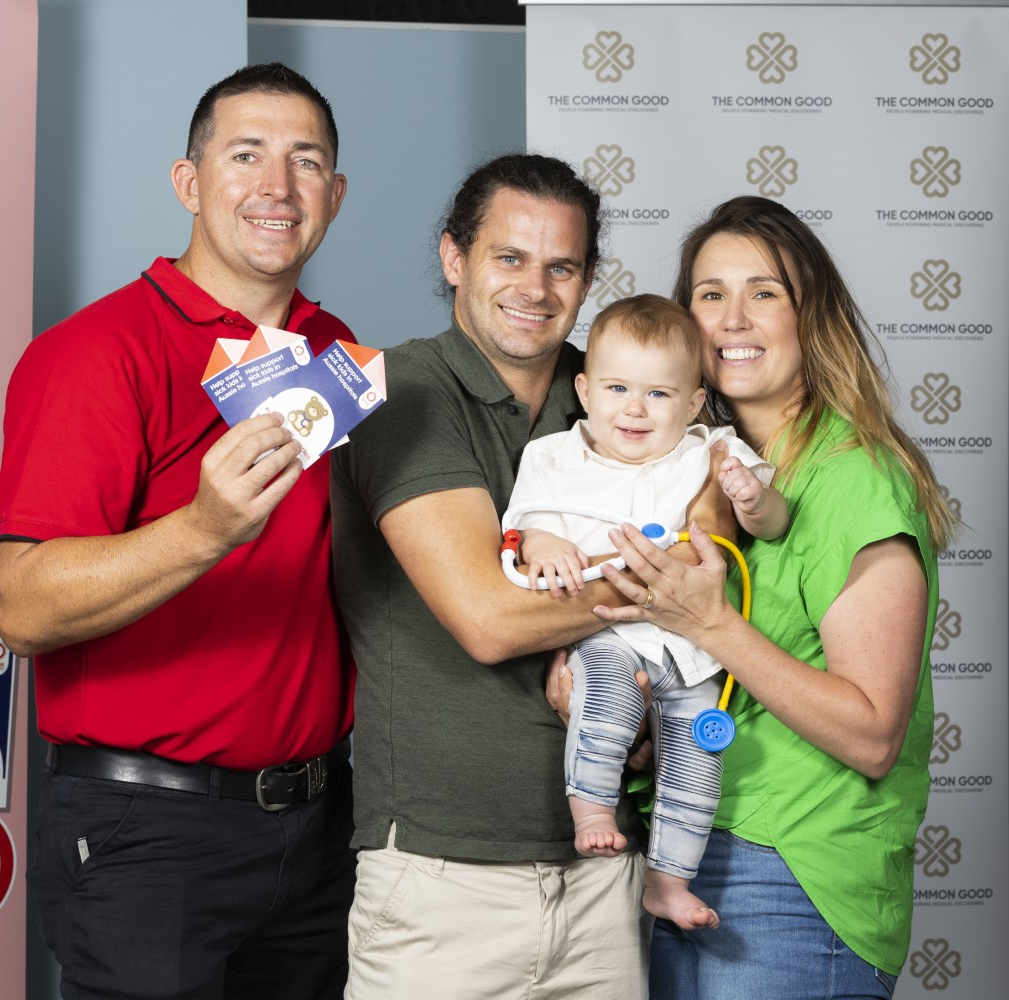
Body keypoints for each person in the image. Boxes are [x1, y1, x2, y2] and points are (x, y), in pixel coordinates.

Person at [0, 63, 354, 1000]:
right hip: (146, 832)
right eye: (246, 157)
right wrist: (201, 529)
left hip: (318, 825)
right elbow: (23, 609)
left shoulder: (336, 352)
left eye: (304, 162)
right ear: (189, 184)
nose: (277, 188)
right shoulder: (95, 353)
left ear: (335, 196)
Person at [330, 153, 729, 999]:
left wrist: (644, 645)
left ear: (587, 280)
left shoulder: (618, 391)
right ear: (454, 260)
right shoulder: (402, 389)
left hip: (604, 874)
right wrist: (654, 596)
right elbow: (490, 620)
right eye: (509, 258)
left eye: (563, 266)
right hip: (443, 879)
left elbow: (715, 532)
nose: (535, 288)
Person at [591, 196, 956, 999]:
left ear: (810, 316)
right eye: (710, 294)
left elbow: (870, 735)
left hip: (791, 878)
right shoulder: (712, 478)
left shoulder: (853, 476)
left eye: (765, 293)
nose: (732, 318)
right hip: (688, 855)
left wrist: (712, 625)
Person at [504, 293, 787, 932]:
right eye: (617, 388)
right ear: (583, 389)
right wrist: (545, 541)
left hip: (687, 649)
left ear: (692, 403)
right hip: (605, 629)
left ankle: (668, 880)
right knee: (603, 698)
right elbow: (524, 524)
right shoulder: (553, 457)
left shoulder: (707, 451)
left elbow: (770, 522)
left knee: (697, 755)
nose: (634, 408)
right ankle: (593, 812)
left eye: (659, 395)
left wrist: (751, 497)